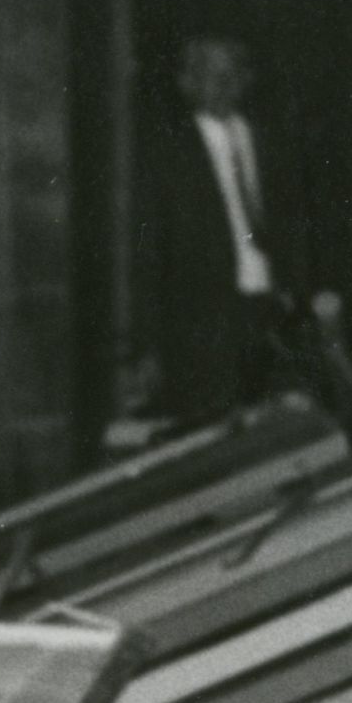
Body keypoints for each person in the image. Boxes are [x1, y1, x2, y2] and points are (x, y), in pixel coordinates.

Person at [141, 32, 289, 424]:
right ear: (187, 83)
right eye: (211, 74)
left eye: (234, 73)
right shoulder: (166, 151)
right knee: (216, 429)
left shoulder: (269, 140)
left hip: (270, 309)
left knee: (274, 429)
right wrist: (150, 343)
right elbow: (150, 251)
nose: (225, 84)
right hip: (204, 321)